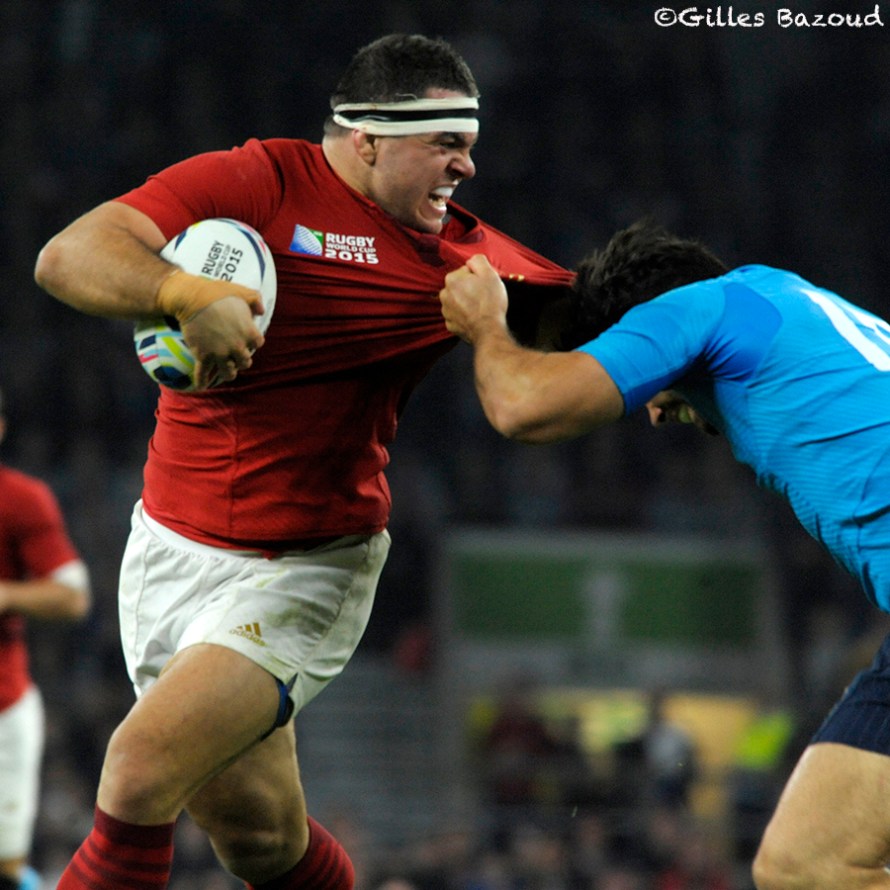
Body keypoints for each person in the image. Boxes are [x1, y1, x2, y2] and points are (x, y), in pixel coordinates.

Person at [33, 33, 572, 890]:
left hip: (304, 567)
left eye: (469, 145)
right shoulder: (259, 181)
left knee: (137, 772)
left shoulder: (466, 264)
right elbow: (68, 254)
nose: (467, 167)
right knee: (257, 836)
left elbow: (614, 322)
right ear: (369, 138)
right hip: (167, 547)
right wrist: (185, 292)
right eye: (446, 143)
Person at [438, 218, 890, 889]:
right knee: (803, 865)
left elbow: (520, 406)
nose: (650, 410)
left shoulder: (696, 308)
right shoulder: (786, 299)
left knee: (808, 867)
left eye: (642, 369)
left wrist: (486, 328)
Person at [0, 389, 92, 890]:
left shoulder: (19, 500)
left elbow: (72, 596)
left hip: (4, 710)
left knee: (5, 870)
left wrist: (6, 595)